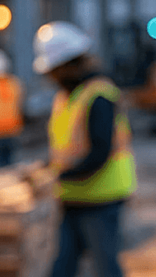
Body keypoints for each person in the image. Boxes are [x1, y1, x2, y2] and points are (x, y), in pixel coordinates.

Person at [35, 21, 136, 277]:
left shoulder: (99, 95)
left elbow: (100, 152)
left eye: (54, 70)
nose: (51, 77)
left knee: (105, 268)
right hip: (72, 196)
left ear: (69, 64)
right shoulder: (67, 96)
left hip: (102, 197)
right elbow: (67, 148)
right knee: (62, 267)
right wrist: (48, 169)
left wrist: (56, 176)